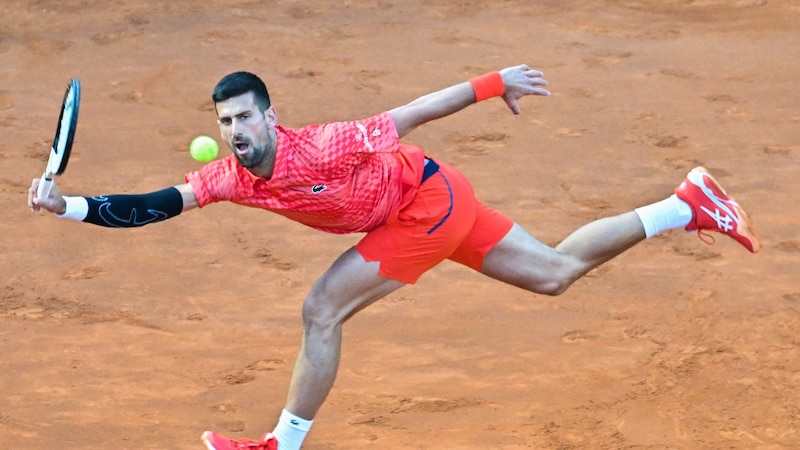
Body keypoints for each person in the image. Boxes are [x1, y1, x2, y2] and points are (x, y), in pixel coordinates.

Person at [28, 64, 761, 450]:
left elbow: (412, 113)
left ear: (269, 116)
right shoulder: (227, 176)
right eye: (225, 123)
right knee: (554, 273)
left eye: (246, 117)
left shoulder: (327, 143)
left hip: (426, 205)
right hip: (444, 195)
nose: (235, 132)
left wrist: (492, 84)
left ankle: (281, 447)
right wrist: (69, 205)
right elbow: (154, 205)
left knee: (321, 308)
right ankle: (685, 205)